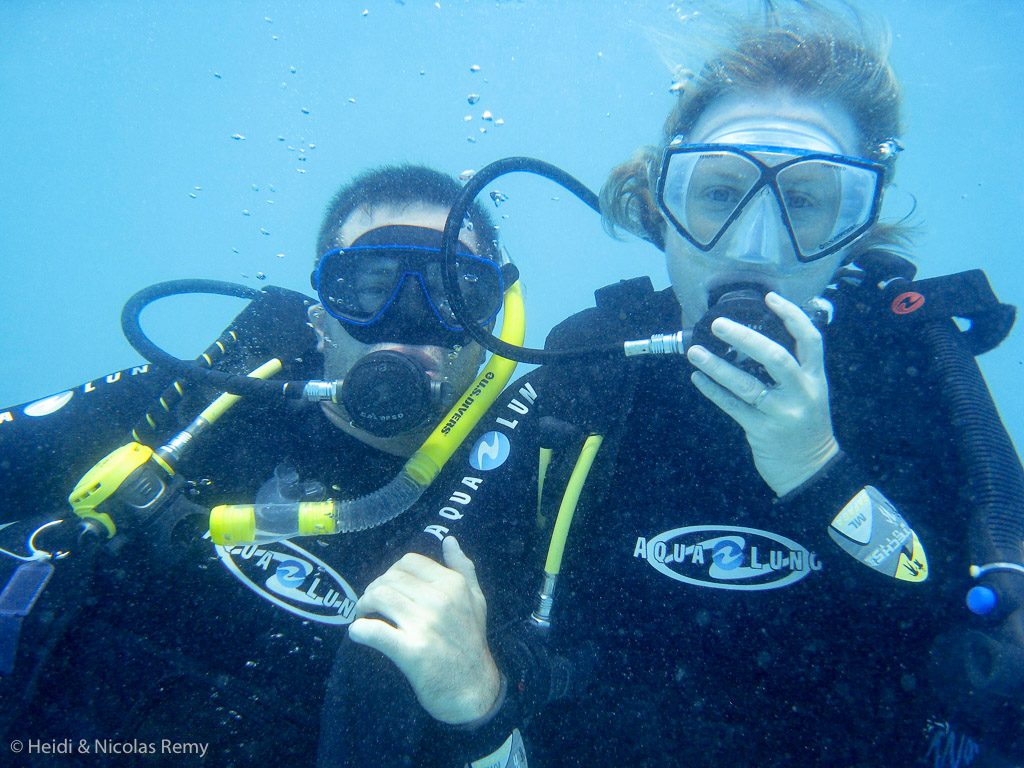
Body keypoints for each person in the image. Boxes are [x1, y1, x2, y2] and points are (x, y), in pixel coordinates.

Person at [337, 4, 1024, 767]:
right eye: (719, 193)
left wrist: (821, 471)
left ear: (856, 224)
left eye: (804, 201)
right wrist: (483, 699)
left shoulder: (914, 372)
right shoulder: (594, 367)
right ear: (663, 203)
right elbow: (439, 618)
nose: (755, 245)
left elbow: (977, 661)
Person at [0, 164, 535, 767]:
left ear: (491, 324)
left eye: (449, 293)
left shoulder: (523, 490)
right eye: (368, 285)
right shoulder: (202, 402)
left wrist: (479, 701)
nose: (407, 324)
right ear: (320, 316)